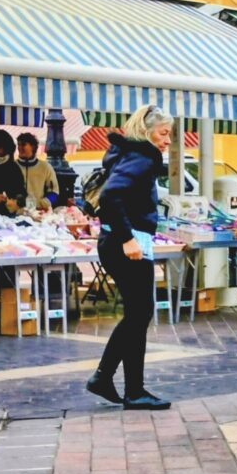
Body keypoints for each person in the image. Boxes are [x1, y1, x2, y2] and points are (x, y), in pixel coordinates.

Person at [87, 107, 173, 411]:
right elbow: (111, 196)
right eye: (163, 133)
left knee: (138, 314)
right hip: (127, 241)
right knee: (139, 314)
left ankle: (109, 379)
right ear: (146, 131)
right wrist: (127, 238)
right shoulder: (143, 156)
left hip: (123, 239)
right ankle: (129, 388)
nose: (168, 141)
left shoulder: (129, 154)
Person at [16, 131, 59, 213]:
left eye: (23, 144)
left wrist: (41, 204)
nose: (20, 148)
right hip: (16, 215)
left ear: (33, 146)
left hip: (40, 214)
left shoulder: (45, 167)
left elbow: (54, 193)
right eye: (19, 145)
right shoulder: (12, 166)